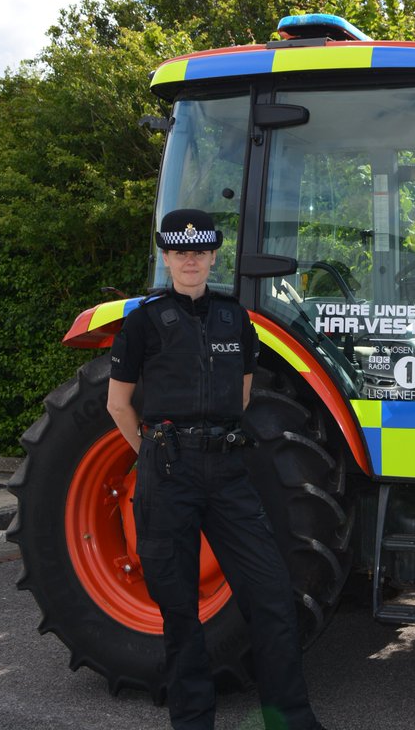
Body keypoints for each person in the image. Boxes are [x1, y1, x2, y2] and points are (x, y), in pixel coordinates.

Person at [107, 209, 328, 730]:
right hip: (169, 472)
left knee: (272, 598)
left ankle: (289, 719)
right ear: (166, 257)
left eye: (200, 252)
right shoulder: (142, 321)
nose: (190, 260)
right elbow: (119, 405)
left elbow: (244, 393)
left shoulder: (236, 319)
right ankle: (192, 721)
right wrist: (154, 451)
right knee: (180, 608)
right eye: (180, 252)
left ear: (211, 257)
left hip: (228, 473)